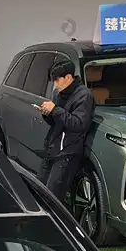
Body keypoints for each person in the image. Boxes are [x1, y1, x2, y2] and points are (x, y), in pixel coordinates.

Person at [37, 61, 95, 201]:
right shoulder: (60, 93)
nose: (55, 85)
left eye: (57, 80)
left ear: (68, 77)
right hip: (53, 148)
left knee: (53, 197)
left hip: (67, 152)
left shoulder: (84, 95)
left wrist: (55, 110)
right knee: (39, 190)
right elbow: (57, 122)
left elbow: (78, 124)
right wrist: (47, 114)